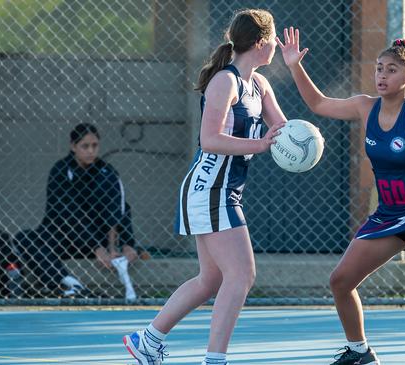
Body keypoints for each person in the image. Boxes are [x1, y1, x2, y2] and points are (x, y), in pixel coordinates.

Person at [279, 30, 405, 365]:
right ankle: (359, 352)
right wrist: (295, 65)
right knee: (340, 281)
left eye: (392, 70)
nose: (382, 75)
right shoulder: (364, 107)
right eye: (380, 68)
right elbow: (318, 103)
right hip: (390, 212)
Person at [123, 9, 286, 365]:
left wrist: (296, 69)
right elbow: (209, 139)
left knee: (210, 280)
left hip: (226, 190)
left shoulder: (260, 85)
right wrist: (258, 145)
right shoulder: (225, 83)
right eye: (274, 40)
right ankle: (215, 359)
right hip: (209, 189)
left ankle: (147, 340)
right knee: (241, 275)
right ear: (261, 43)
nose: (276, 45)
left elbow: (285, 134)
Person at [16, 123, 139, 299]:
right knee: (25, 238)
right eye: (85, 146)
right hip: (63, 237)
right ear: (73, 146)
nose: (91, 151)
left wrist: (127, 243)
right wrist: (95, 247)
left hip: (96, 240)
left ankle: (70, 286)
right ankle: (70, 283)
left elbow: (120, 207)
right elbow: (65, 214)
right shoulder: (60, 171)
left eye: (95, 146)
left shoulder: (107, 172)